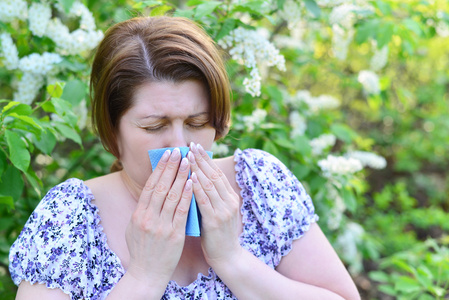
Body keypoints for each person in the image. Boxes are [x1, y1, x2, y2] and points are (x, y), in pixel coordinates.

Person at [10, 16, 360, 299]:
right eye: (153, 126)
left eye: (197, 123)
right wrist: (144, 278)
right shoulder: (71, 216)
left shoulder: (259, 183)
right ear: (112, 130)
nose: (180, 146)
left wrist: (233, 260)